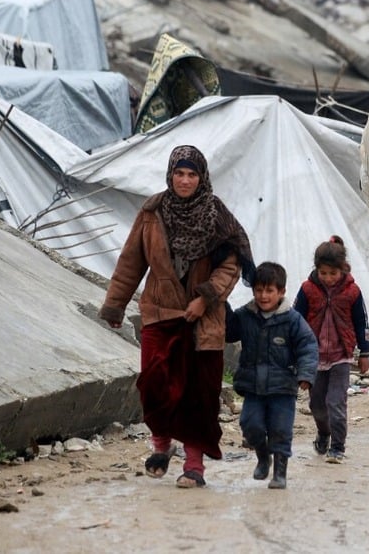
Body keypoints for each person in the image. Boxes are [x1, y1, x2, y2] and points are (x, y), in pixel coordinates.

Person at [99, 145, 255, 489]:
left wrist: (206, 297)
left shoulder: (217, 216)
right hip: (160, 311)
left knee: (199, 393)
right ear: (170, 175)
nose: (185, 180)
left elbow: (231, 264)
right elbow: (131, 261)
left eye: (192, 174)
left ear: (202, 178)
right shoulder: (153, 211)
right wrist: (116, 305)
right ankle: (161, 443)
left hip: (203, 320)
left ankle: (194, 466)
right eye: (179, 173)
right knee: (154, 385)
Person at [227, 262, 318, 489]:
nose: (263, 296)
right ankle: (262, 455)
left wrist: (306, 374)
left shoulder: (292, 319)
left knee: (280, 429)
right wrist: (221, 304)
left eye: (269, 291)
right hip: (253, 387)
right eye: (259, 290)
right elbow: (229, 332)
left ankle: (280, 472)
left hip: (283, 388)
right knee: (250, 425)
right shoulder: (245, 316)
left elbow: (307, 346)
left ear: (281, 292)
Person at [293, 236, 369, 464]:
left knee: (336, 402)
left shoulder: (352, 292)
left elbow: (361, 322)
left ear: (342, 270)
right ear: (316, 270)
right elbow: (296, 321)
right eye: (323, 273)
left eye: (333, 274)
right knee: (317, 404)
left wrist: (364, 352)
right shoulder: (307, 289)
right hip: (313, 357)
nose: (328, 278)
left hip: (341, 357)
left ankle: (337, 447)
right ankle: (323, 432)